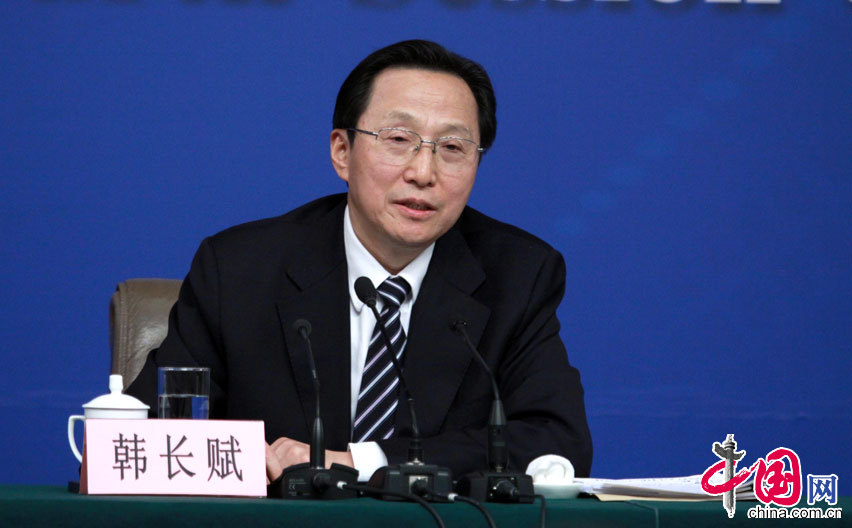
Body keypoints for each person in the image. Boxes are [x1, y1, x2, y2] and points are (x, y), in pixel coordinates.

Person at [126, 39, 592, 482]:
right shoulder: (239, 270)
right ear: (342, 152)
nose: (423, 172)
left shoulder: (517, 276)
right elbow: (148, 439)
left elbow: (558, 445)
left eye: (452, 148)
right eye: (398, 139)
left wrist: (361, 462)